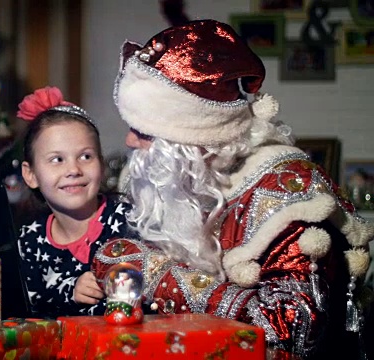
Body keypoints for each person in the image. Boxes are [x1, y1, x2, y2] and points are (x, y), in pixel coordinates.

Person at [92, 19, 373, 359]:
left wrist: (157, 275)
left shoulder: (286, 197)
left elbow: (292, 332)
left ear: (194, 138)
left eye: (144, 132)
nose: (129, 141)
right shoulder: (183, 181)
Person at [15, 86, 132, 319]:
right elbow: (25, 307)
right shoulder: (28, 241)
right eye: (57, 159)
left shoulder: (127, 221)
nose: (73, 170)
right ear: (31, 175)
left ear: (100, 162)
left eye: (85, 156)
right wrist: (68, 290)